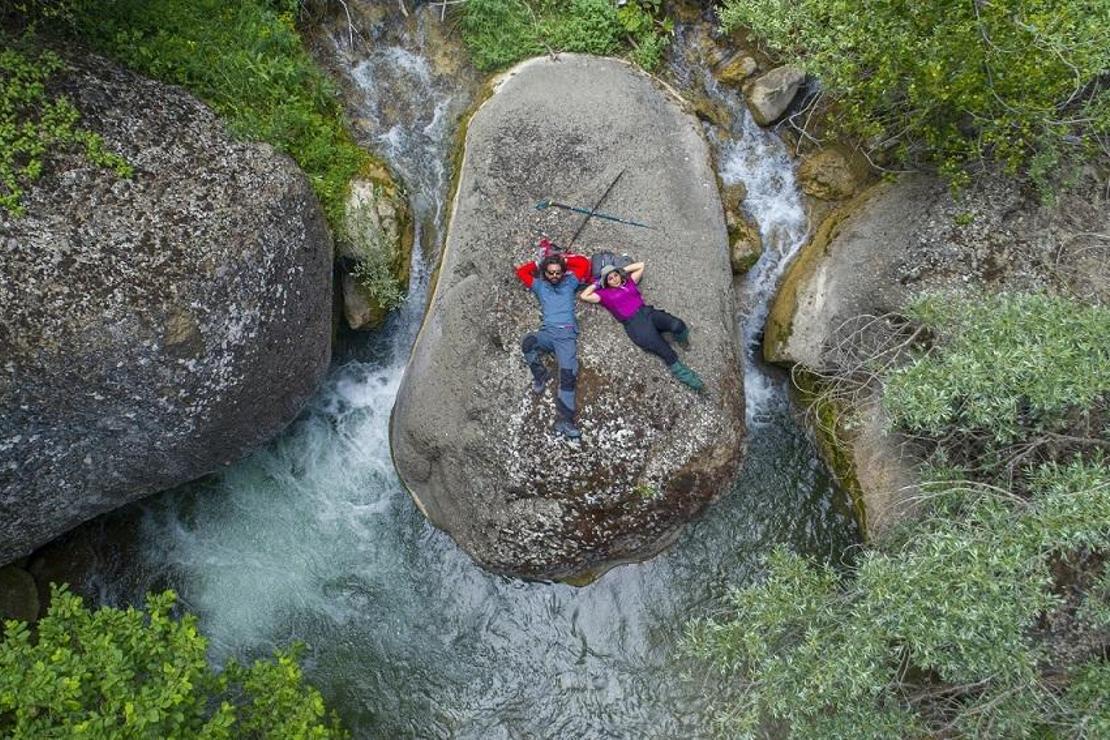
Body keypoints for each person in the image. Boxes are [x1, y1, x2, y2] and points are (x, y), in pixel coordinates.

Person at [579, 261, 705, 391]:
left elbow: (641, 265)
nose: (614, 279)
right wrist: (597, 283)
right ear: (606, 283)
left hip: (647, 312)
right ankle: (693, 382)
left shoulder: (629, 282)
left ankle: (681, 339)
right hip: (635, 324)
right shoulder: (604, 295)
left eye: (615, 275)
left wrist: (621, 270)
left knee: (678, 325)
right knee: (667, 352)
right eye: (610, 279)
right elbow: (584, 295)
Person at [514, 246, 591, 439]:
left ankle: (565, 420)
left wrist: (563, 258)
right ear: (545, 273)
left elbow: (584, 263)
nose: (555, 276)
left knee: (568, 374)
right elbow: (521, 271)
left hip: (566, 336)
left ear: (562, 272)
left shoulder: (571, 282)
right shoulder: (540, 285)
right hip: (547, 333)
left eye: (558, 272)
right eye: (551, 273)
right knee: (527, 342)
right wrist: (539, 261)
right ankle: (540, 375)